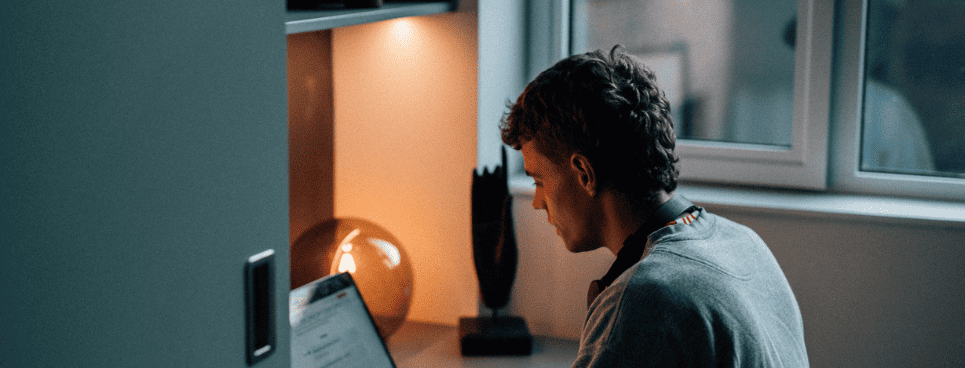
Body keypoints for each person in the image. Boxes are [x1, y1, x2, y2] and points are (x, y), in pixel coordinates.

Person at [499, 46, 809, 367]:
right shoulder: (744, 242)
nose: (537, 203)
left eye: (539, 181)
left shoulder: (643, 300)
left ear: (584, 174)